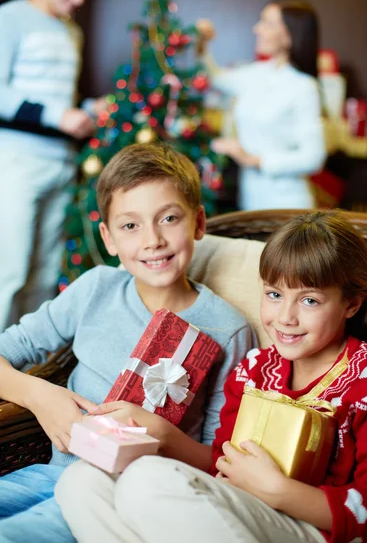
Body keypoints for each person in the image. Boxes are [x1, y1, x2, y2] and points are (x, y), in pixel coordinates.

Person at [55, 210, 367, 543]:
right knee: (82, 480)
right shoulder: (254, 369)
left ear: (351, 304)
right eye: (275, 295)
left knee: (147, 479)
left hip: (314, 528)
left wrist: (279, 491)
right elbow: (220, 463)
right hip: (238, 512)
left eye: (309, 301)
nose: (286, 317)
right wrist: (161, 435)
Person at [0, 142, 257, 542]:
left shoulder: (228, 330)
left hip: (120, 501)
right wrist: (39, 395)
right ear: (109, 238)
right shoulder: (96, 289)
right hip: (47, 475)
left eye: (168, 218)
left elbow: (221, 463)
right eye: (130, 225)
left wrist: (164, 435)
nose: (152, 240)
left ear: (199, 223)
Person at [0, 0, 106, 332]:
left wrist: (88, 110)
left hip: (61, 162)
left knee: (45, 276)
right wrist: (58, 115)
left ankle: (22, 369)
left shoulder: (71, 31)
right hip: (15, 162)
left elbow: (59, 99)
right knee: (7, 273)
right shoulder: (10, 18)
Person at [196, 0, 326, 211]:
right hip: (251, 202)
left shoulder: (304, 87)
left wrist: (252, 159)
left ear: (290, 35)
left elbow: (313, 157)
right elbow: (215, 76)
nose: (257, 29)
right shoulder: (257, 73)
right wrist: (203, 44)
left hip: (287, 206)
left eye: (267, 23)